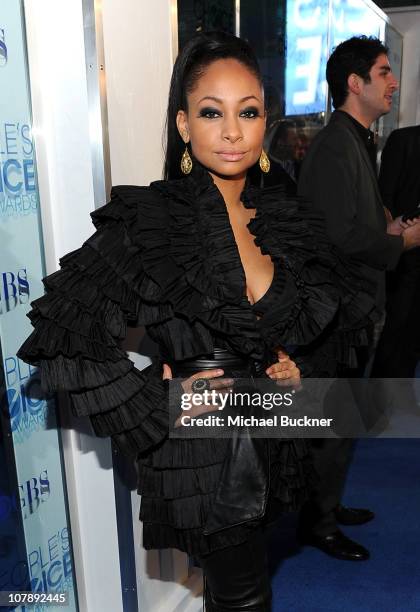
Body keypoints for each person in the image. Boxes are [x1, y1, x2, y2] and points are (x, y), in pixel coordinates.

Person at [18, 32, 377, 610]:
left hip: (271, 436)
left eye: (249, 112)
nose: (232, 131)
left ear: (265, 123)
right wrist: (158, 400)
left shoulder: (281, 213)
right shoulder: (153, 221)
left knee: (235, 585)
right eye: (212, 112)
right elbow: (65, 339)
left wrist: (292, 366)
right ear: (184, 125)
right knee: (245, 596)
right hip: (205, 451)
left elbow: (325, 318)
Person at [298, 36, 420, 562]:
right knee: (330, 425)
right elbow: (337, 237)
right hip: (337, 315)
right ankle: (318, 523)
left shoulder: (355, 140)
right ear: (355, 83)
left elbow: (352, 223)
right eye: (384, 71)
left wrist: (386, 225)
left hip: (351, 309)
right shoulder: (334, 146)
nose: (394, 82)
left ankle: (326, 507)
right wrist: (400, 241)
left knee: (339, 425)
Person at [371, 125, 420, 397]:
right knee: (397, 324)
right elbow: (384, 199)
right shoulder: (404, 140)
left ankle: (401, 394)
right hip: (403, 250)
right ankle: (378, 398)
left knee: (414, 331)